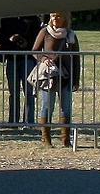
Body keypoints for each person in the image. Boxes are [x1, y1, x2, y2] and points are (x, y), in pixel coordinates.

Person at [31, 11, 79, 147]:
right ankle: (46, 139)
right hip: (49, 76)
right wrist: (44, 59)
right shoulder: (45, 32)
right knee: (47, 106)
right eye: (53, 16)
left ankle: (66, 140)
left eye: (58, 16)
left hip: (66, 76)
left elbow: (76, 58)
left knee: (66, 108)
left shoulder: (71, 34)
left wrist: (76, 80)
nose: (55, 18)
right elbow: (35, 50)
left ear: (64, 18)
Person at [0, 15, 38, 126]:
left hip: (28, 58)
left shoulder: (33, 18)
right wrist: (10, 38)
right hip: (11, 59)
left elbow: (38, 38)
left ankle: (29, 122)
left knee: (29, 92)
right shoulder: (5, 17)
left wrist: (26, 41)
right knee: (14, 93)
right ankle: (13, 121)